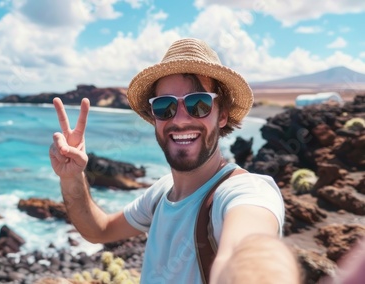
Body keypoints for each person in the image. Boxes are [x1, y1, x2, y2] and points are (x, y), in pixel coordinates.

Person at [49, 38, 300, 283]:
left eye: (198, 104)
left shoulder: (244, 192)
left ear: (222, 115)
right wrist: (71, 177)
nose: (180, 119)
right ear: (154, 117)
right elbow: (100, 230)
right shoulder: (161, 193)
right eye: (164, 106)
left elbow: (250, 251)